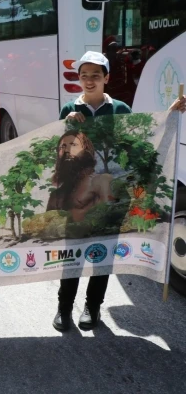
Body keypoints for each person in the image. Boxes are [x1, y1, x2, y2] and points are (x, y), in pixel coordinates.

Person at [51, 50, 186, 331]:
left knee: (103, 253)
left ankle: (92, 307)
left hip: (112, 194)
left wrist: (170, 115)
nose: (89, 81)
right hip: (78, 194)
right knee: (72, 253)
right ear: (79, 79)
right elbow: (59, 149)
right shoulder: (69, 109)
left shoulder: (121, 110)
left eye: (96, 76)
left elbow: (143, 136)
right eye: (84, 76)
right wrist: (67, 125)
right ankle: (64, 308)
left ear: (106, 78)